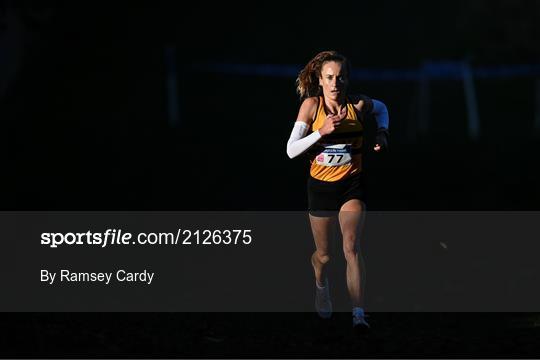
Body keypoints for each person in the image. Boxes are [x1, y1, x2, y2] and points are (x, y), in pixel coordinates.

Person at [286, 50, 389, 331]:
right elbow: (291, 150)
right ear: (320, 80)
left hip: (351, 186)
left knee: (351, 247)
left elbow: (382, 108)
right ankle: (321, 282)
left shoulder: (358, 104)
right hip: (320, 189)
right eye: (330, 77)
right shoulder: (311, 106)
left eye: (341, 77)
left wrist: (382, 133)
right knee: (325, 255)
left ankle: (358, 314)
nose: (335, 83)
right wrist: (321, 132)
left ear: (347, 79)